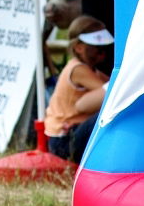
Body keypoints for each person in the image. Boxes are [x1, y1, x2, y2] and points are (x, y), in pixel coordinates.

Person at [44, 15, 112, 161]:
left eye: (102, 47)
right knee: (104, 116)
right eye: (95, 48)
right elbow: (110, 90)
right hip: (63, 140)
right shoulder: (77, 69)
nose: (100, 52)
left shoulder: (90, 69)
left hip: (70, 134)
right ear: (79, 48)